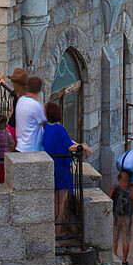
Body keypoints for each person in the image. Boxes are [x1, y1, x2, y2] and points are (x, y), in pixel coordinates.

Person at [41, 101, 91, 237]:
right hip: (61, 170)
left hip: (52, 169)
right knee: (60, 204)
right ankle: (57, 233)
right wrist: (83, 147)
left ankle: (55, 230)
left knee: (55, 202)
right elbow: (70, 146)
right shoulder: (58, 129)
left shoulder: (48, 128)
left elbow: (67, 141)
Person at [109, 168, 133, 265]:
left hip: (116, 216)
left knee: (115, 238)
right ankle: (124, 260)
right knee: (126, 239)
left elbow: (109, 199)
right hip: (127, 217)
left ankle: (115, 257)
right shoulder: (130, 190)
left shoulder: (115, 188)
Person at [15, 75, 47, 152]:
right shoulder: (35, 105)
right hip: (31, 148)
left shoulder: (20, 100)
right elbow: (45, 122)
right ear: (40, 89)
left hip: (21, 145)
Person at [6, 67, 28, 145]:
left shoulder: (17, 95)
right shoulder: (25, 97)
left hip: (14, 127)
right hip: (17, 127)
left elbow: (13, 109)